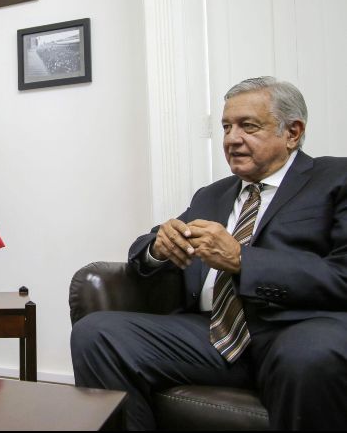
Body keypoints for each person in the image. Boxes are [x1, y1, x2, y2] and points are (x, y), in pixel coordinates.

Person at [71, 76, 347, 430]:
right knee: (97, 333)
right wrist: (157, 248)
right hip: (211, 333)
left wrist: (242, 261)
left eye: (248, 126)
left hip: (298, 327)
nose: (232, 139)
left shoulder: (334, 179)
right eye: (226, 127)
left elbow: (341, 274)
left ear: (292, 133)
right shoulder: (212, 195)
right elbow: (145, 249)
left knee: (310, 355)